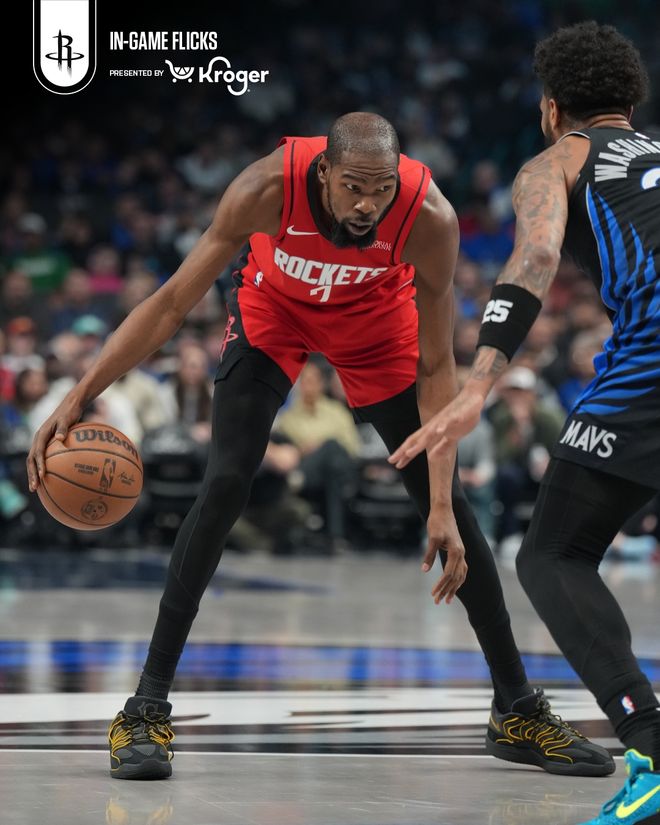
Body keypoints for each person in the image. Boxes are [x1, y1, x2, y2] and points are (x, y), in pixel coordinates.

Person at [27, 112, 611, 782]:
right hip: (274, 312)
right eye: (354, 187)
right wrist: (79, 395)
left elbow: (435, 368)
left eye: (381, 189)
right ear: (324, 171)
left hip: (376, 327)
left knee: (452, 511)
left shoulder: (430, 218)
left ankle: (517, 709)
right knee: (225, 483)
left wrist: (439, 501)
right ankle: (145, 706)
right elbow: (170, 305)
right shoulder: (265, 188)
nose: (368, 204)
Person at [390, 23, 660, 825]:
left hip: (652, 357)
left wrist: (478, 382)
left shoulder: (558, 162)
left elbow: (536, 258)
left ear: (551, 108)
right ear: (633, 100)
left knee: (553, 554)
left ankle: (652, 748)